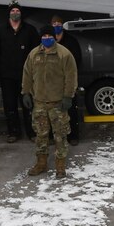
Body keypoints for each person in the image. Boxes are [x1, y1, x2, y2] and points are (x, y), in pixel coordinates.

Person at [21, 28, 78, 178]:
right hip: (39, 102)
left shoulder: (64, 54)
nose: (46, 38)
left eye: (49, 36)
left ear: (54, 37)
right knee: (41, 135)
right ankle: (41, 164)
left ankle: (60, 166)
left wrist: (68, 96)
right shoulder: (34, 54)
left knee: (60, 135)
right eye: (44, 36)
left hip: (57, 103)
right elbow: (27, 74)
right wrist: (26, 92)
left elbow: (71, 77)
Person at [0, 1, 39, 142]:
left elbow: (36, 53)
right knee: (10, 106)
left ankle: (32, 132)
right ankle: (13, 132)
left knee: (29, 105)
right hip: (7, 76)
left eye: (17, 11)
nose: (15, 13)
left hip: (26, 77)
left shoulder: (30, 30)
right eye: (13, 11)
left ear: (21, 13)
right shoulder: (0, 31)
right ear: (9, 13)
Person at [51, 14, 83, 145]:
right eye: (54, 25)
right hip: (52, 82)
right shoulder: (48, 40)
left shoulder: (71, 41)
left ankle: (73, 136)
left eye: (59, 24)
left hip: (68, 81)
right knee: (52, 111)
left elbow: (77, 61)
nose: (57, 27)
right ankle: (52, 136)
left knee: (70, 109)